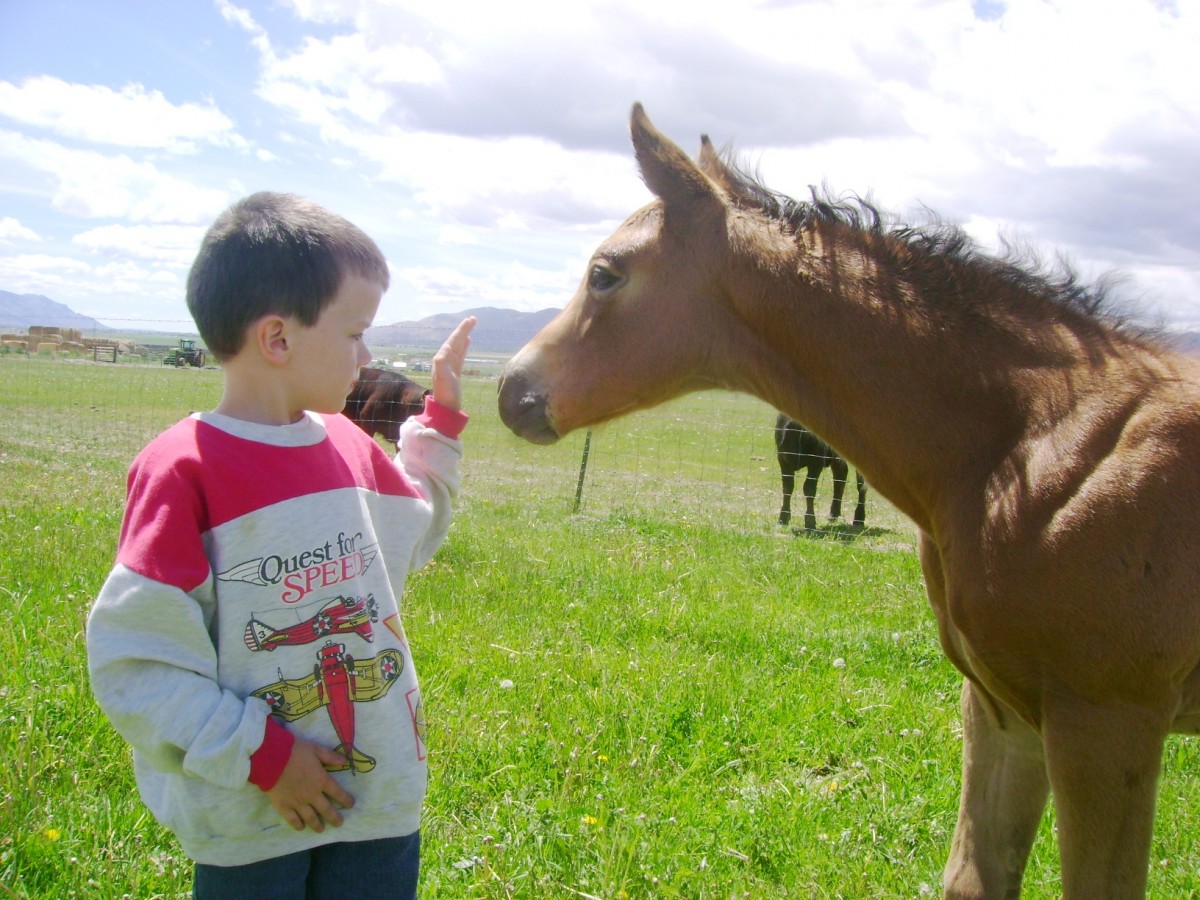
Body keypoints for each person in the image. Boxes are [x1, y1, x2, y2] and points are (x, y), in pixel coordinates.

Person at [86, 192, 476, 899]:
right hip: (249, 815)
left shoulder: (350, 447)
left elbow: (414, 532)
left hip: (377, 804)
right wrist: (265, 758)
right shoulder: (184, 471)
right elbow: (136, 665)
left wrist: (439, 422)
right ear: (278, 339)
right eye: (356, 333)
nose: (367, 355)